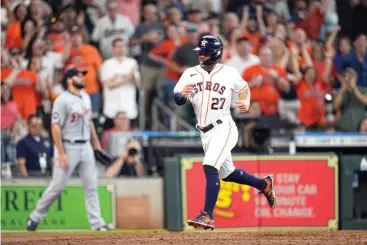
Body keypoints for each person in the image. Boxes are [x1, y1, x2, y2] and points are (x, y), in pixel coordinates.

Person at [173, 35, 275, 230]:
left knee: (210, 165)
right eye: (200, 53)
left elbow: (244, 87)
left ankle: (207, 215)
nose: (202, 56)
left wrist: (245, 100)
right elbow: (177, 97)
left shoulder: (228, 72)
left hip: (224, 126)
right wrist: (181, 96)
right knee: (227, 174)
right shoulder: (190, 73)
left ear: (216, 54)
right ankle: (264, 185)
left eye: (206, 53)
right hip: (205, 133)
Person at [26, 67, 110, 231]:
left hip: (85, 145)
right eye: (79, 76)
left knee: (91, 185)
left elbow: (89, 122)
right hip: (67, 145)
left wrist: (96, 145)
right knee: (57, 186)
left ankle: (97, 223)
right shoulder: (62, 100)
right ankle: (34, 217)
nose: (82, 78)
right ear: (70, 80)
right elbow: (55, 127)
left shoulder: (85, 96)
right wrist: (62, 153)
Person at [100, 38, 140, 130]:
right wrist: (126, 79)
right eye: (117, 46)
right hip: (112, 108)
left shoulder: (132, 63)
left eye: (122, 46)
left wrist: (118, 79)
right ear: (113, 48)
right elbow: (108, 85)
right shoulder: (107, 64)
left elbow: (138, 83)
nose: (120, 49)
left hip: (128, 106)